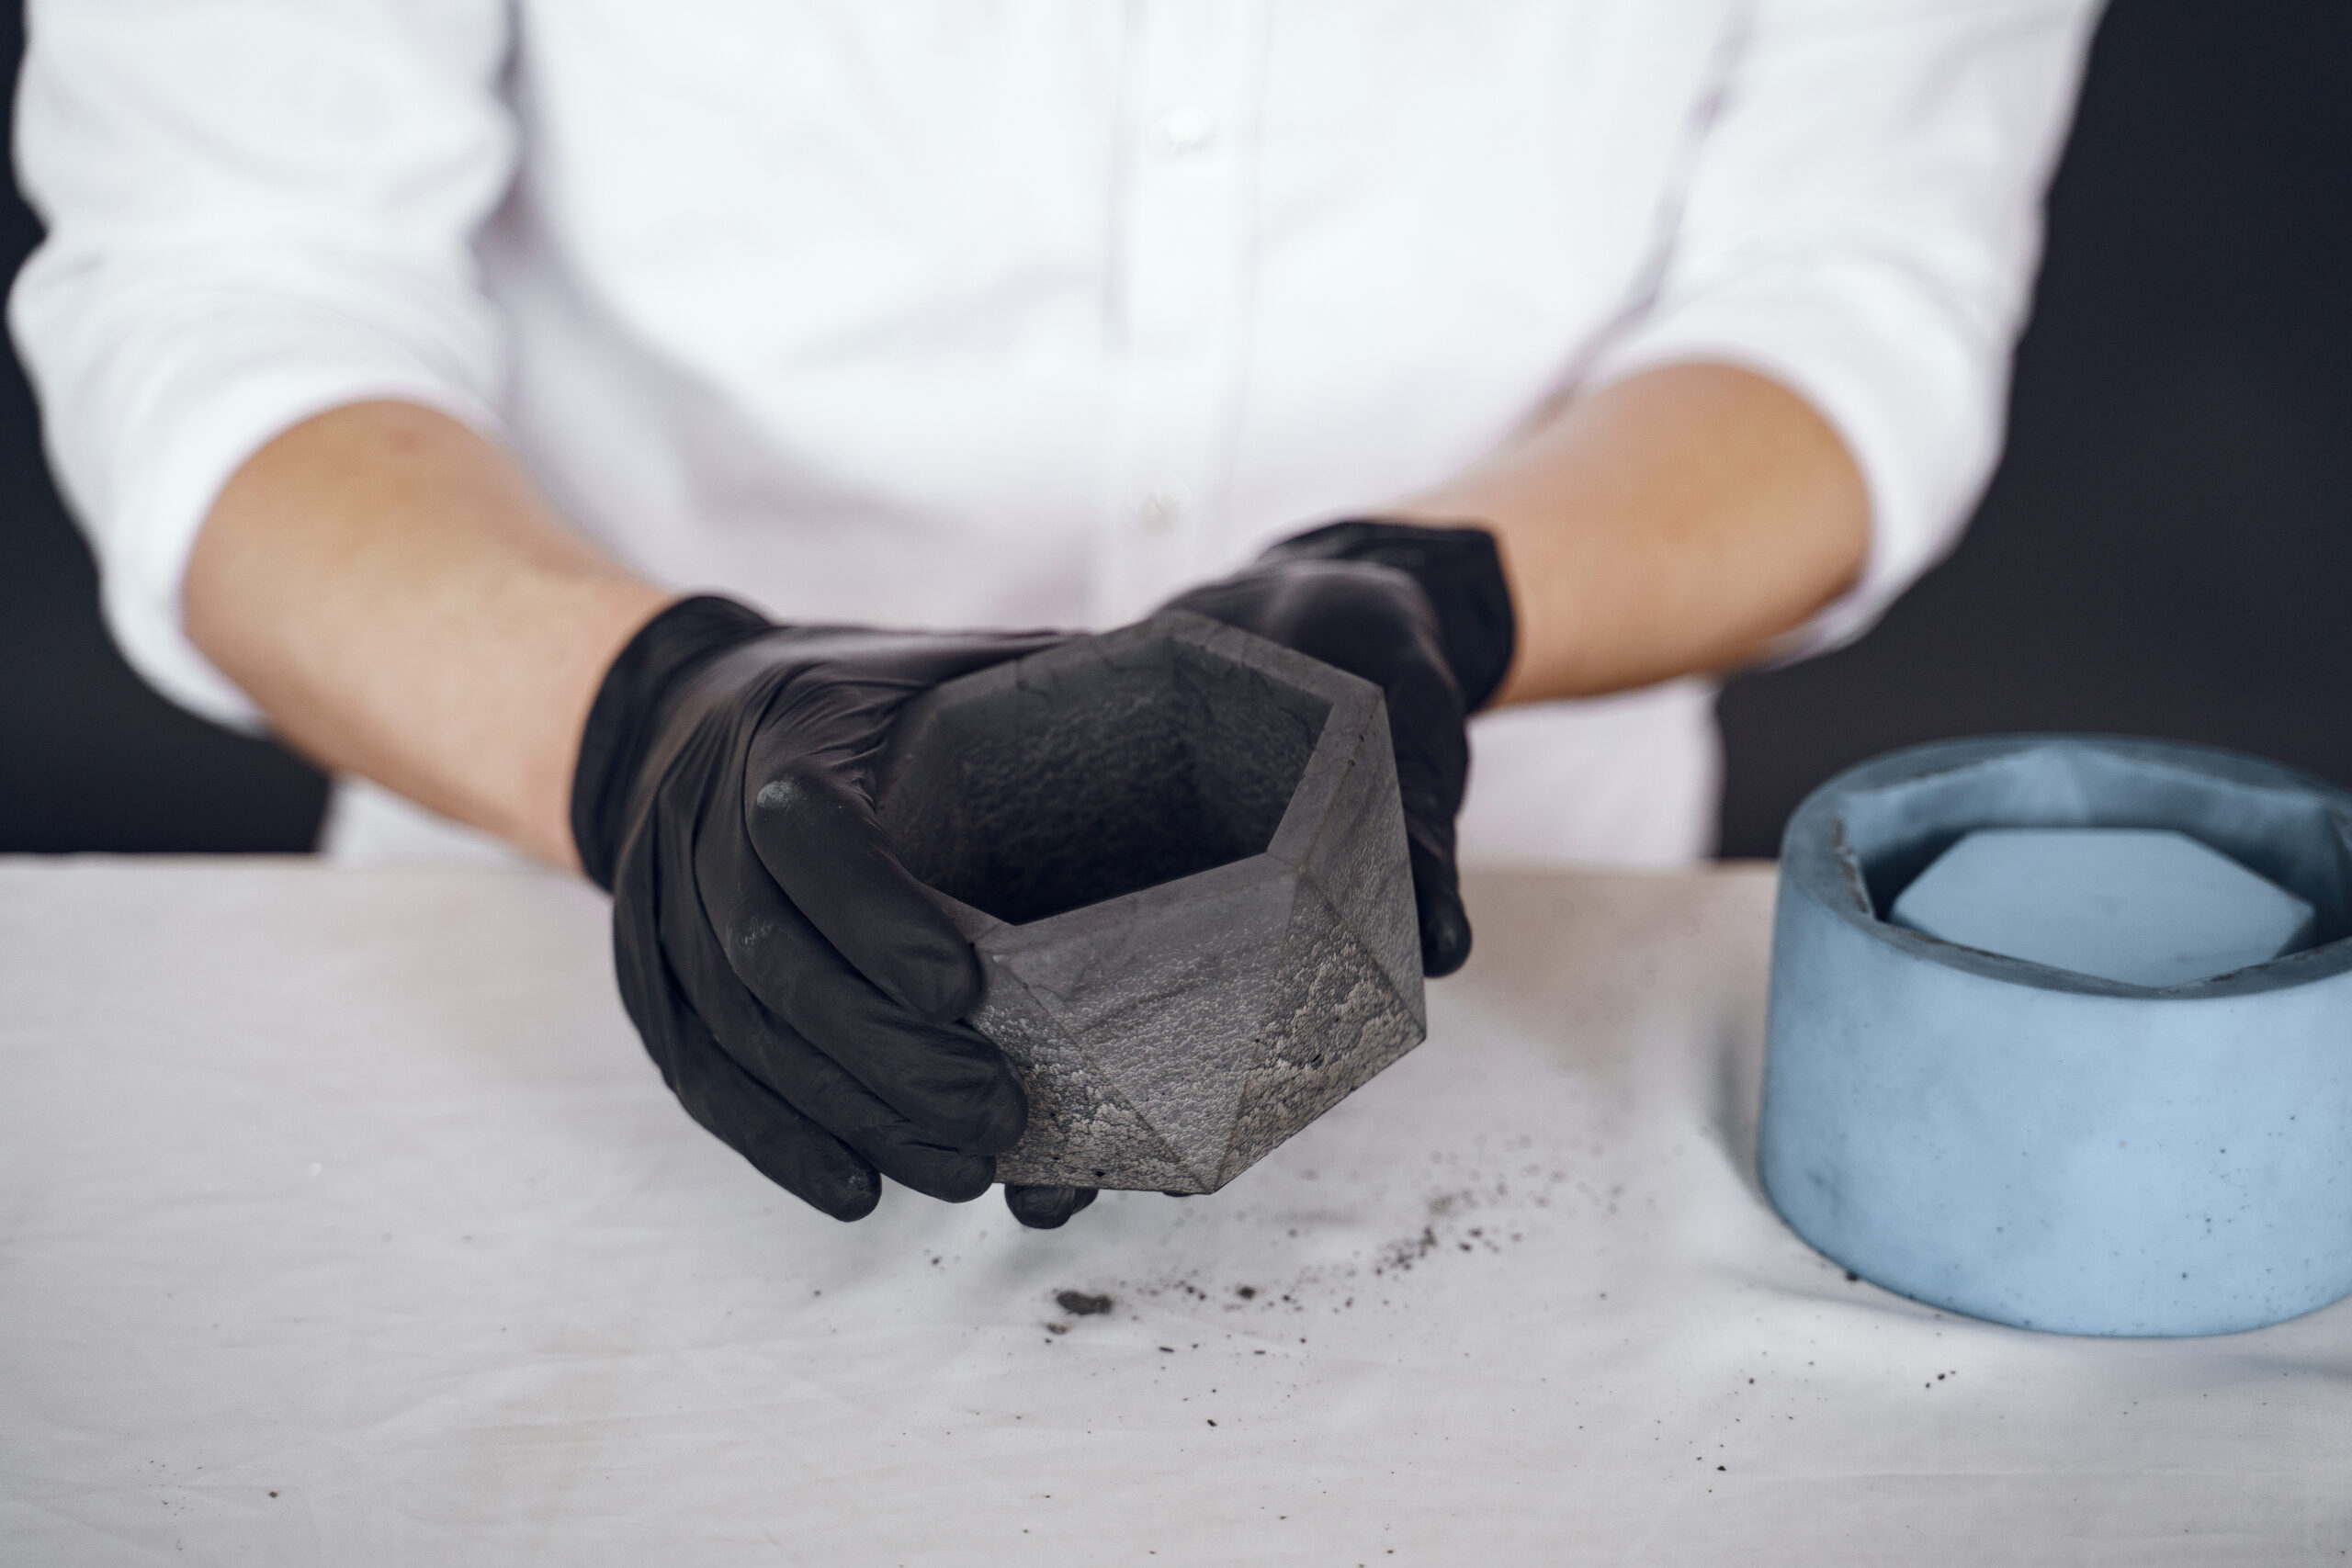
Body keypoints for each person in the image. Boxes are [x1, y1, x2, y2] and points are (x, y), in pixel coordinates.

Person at [10, 2, 2098, 1228]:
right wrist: (645, 715)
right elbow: (227, 285)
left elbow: (1844, 286)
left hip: (1516, 999)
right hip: (571, 1006)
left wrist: (1451, 588)